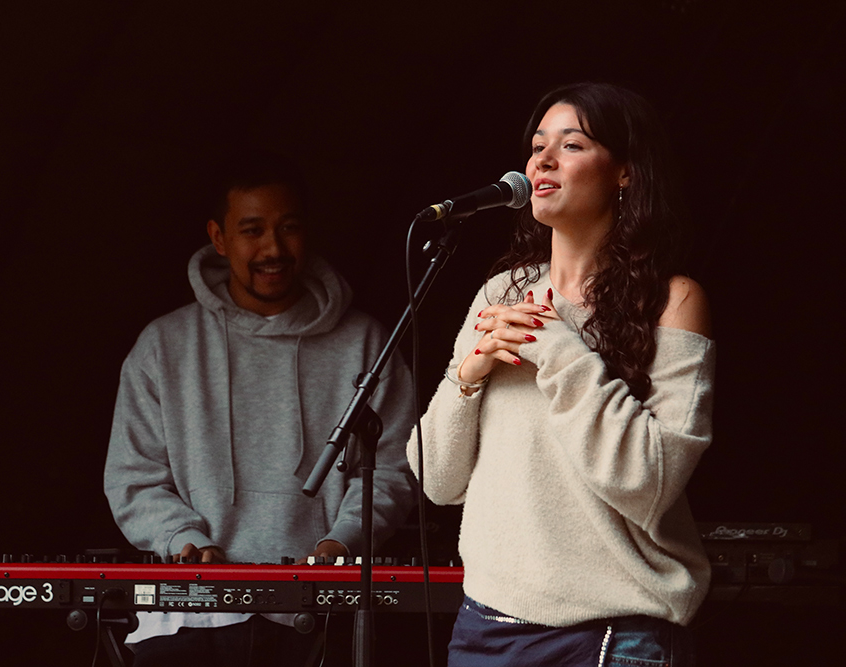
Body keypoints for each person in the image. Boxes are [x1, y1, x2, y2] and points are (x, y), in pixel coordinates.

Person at [410, 83, 714, 666]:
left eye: (571, 145)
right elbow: (436, 481)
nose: (542, 161)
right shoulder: (501, 294)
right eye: (537, 145)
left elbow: (647, 482)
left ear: (625, 173)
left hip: (613, 634)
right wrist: (467, 377)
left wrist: (560, 348)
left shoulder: (674, 302)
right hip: (484, 628)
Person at [105, 151, 417, 666]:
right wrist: (184, 538)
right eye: (252, 230)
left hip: (321, 613)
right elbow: (132, 477)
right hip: (187, 617)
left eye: (288, 228)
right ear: (218, 237)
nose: (273, 248)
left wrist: (341, 543)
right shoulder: (163, 346)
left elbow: (392, 468)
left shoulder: (366, 343)